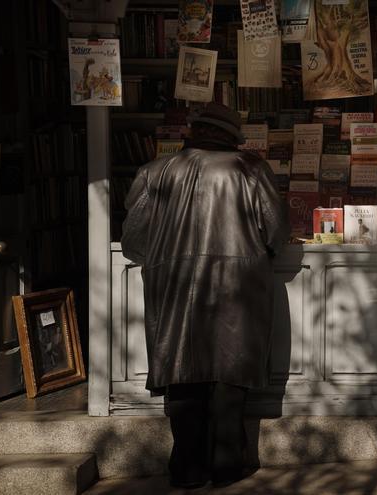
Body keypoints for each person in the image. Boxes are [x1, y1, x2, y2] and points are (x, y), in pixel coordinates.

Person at [121, 103, 286, 489]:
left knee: (181, 372)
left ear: (193, 133)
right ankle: (227, 465)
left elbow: (132, 243)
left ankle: (186, 467)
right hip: (238, 286)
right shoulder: (251, 170)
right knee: (230, 373)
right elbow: (275, 233)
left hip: (173, 286)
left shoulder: (154, 172)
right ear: (232, 137)